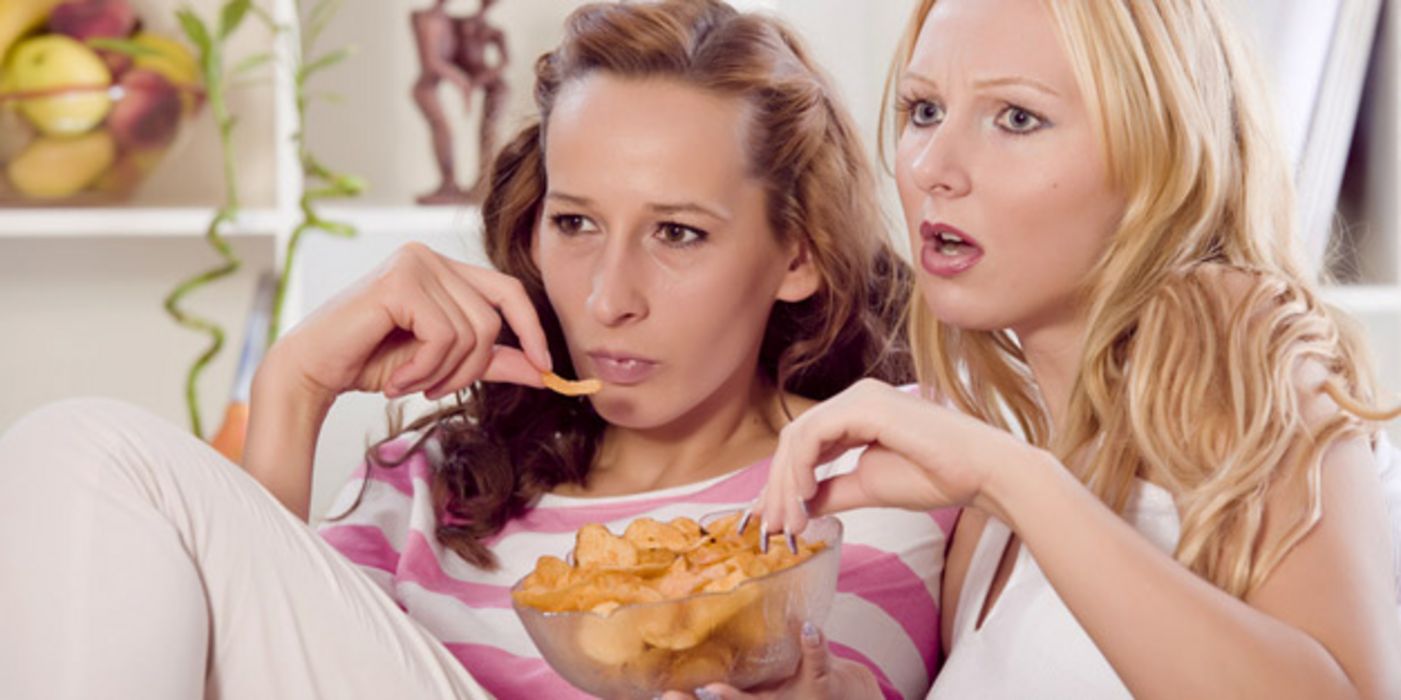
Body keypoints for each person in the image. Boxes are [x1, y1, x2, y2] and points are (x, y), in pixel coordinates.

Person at [0, 2, 952, 699]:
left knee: (88, 442)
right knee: (74, 450)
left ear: (797, 252)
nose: (607, 298)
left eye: (678, 234)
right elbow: (257, 657)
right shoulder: (437, 478)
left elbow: (854, 681)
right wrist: (295, 387)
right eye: (575, 222)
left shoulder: (867, 470)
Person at [744, 0, 1401, 698]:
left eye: (1017, 118)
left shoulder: (1237, 344)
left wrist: (1005, 477)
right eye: (924, 110)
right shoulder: (1001, 493)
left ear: (1159, 154)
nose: (934, 166)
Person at [411, 0, 509, 204]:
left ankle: (474, 183)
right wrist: (462, 81)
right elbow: (432, 62)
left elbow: (493, 61)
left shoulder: (463, 25)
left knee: (487, 132)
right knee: (444, 130)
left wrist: (474, 80)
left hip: (475, 87)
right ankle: (448, 184)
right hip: (426, 88)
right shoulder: (427, 19)